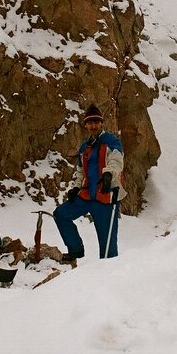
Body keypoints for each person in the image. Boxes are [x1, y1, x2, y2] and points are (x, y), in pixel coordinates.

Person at [53, 104, 126, 262]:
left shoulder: (112, 142)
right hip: (86, 196)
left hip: (106, 197)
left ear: (101, 123)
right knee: (61, 214)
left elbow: (116, 160)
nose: (93, 126)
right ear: (86, 125)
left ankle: (108, 279)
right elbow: (81, 171)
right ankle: (76, 250)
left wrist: (108, 174)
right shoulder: (84, 148)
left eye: (96, 122)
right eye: (90, 123)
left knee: (108, 250)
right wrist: (76, 187)